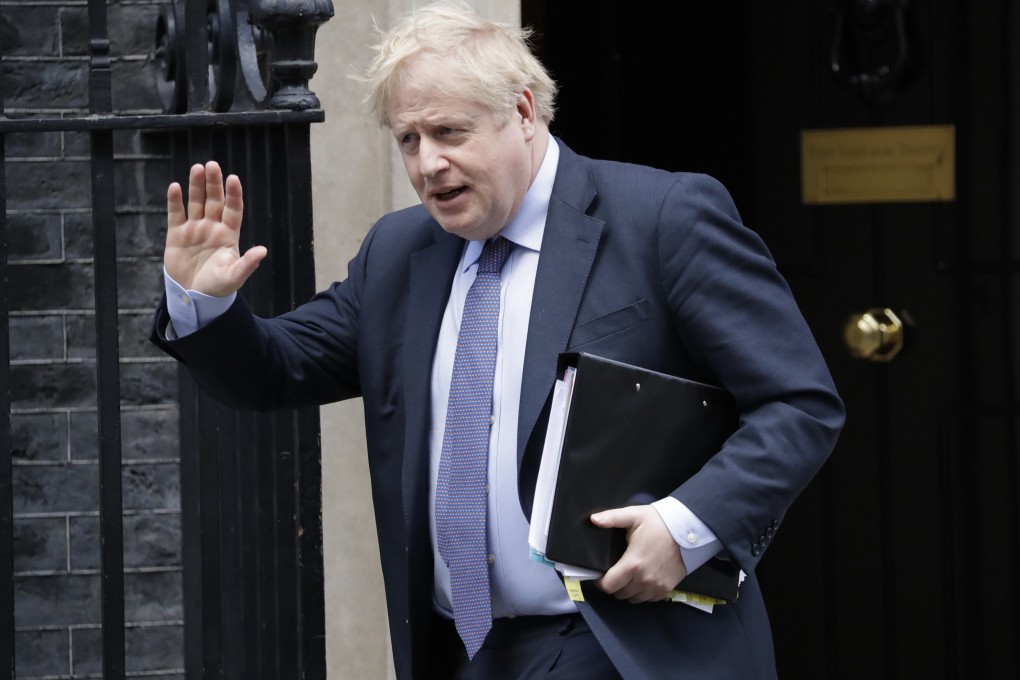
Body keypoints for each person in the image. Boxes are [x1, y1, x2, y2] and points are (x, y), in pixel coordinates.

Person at [151, 2, 844, 678]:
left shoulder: (663, 220)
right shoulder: (398, 253)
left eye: (450, 132)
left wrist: (689, 525)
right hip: (462, 651)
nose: (428, 165)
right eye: (409, 140)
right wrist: (204, 303)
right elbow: (277, 370)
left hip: (625, 642)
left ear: (521, 112)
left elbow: (798, 404)